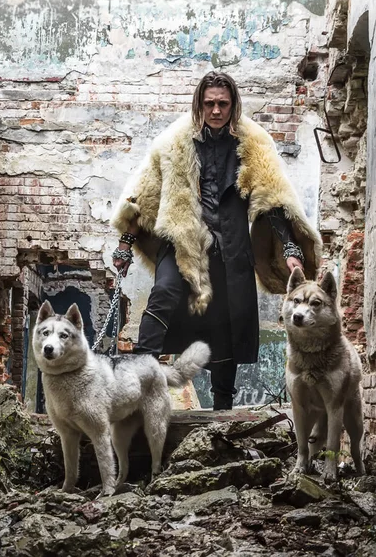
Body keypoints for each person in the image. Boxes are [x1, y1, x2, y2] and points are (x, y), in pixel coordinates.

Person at [111, 71, 322, 410]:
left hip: (231, 247)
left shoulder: (253, 144)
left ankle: (222, 409)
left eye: (223, 103)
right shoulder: (174, 142)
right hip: (182, 240)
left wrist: (291, 251)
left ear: (233, 105)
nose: (216, 110)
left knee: (228, 323)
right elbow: (144, 196)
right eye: (209, 103)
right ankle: (140, 379)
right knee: (164, 291)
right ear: (199, 104)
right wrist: (124, 243)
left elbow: (273, 201)